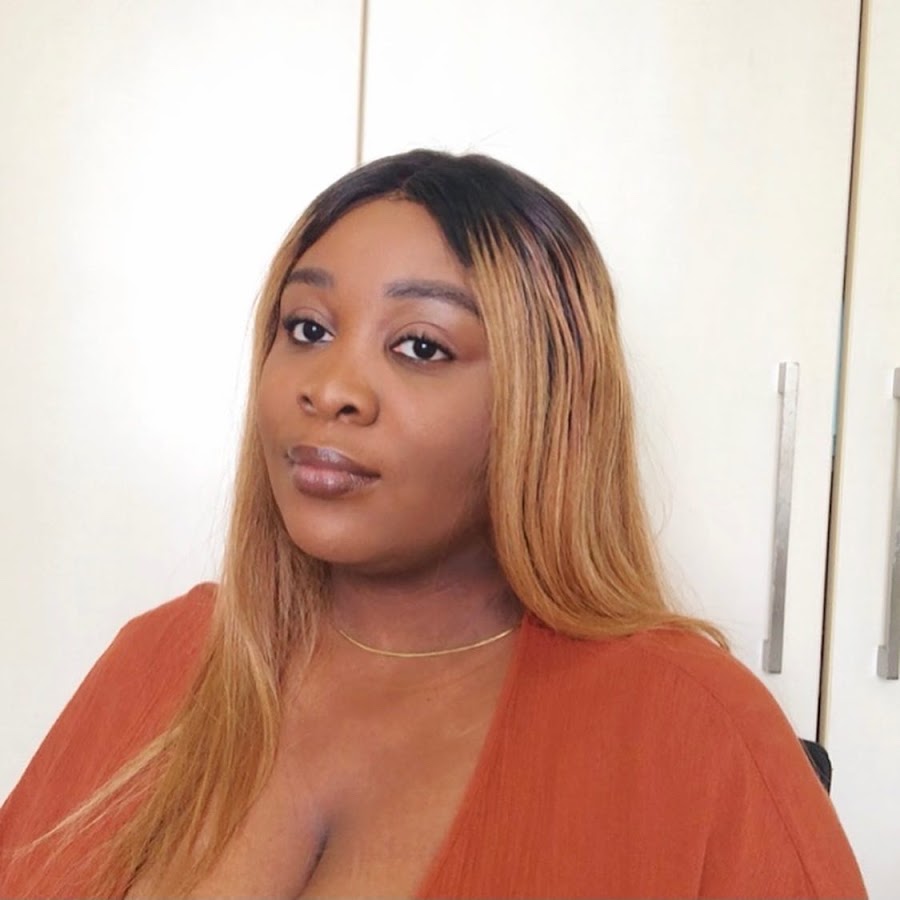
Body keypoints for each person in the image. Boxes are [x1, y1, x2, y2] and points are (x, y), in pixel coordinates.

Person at [0, 150, 865, 898]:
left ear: (544, 405)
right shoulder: (159, 658)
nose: (330, 388)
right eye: (307, 328)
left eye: (421, 346)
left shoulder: (697, 729)